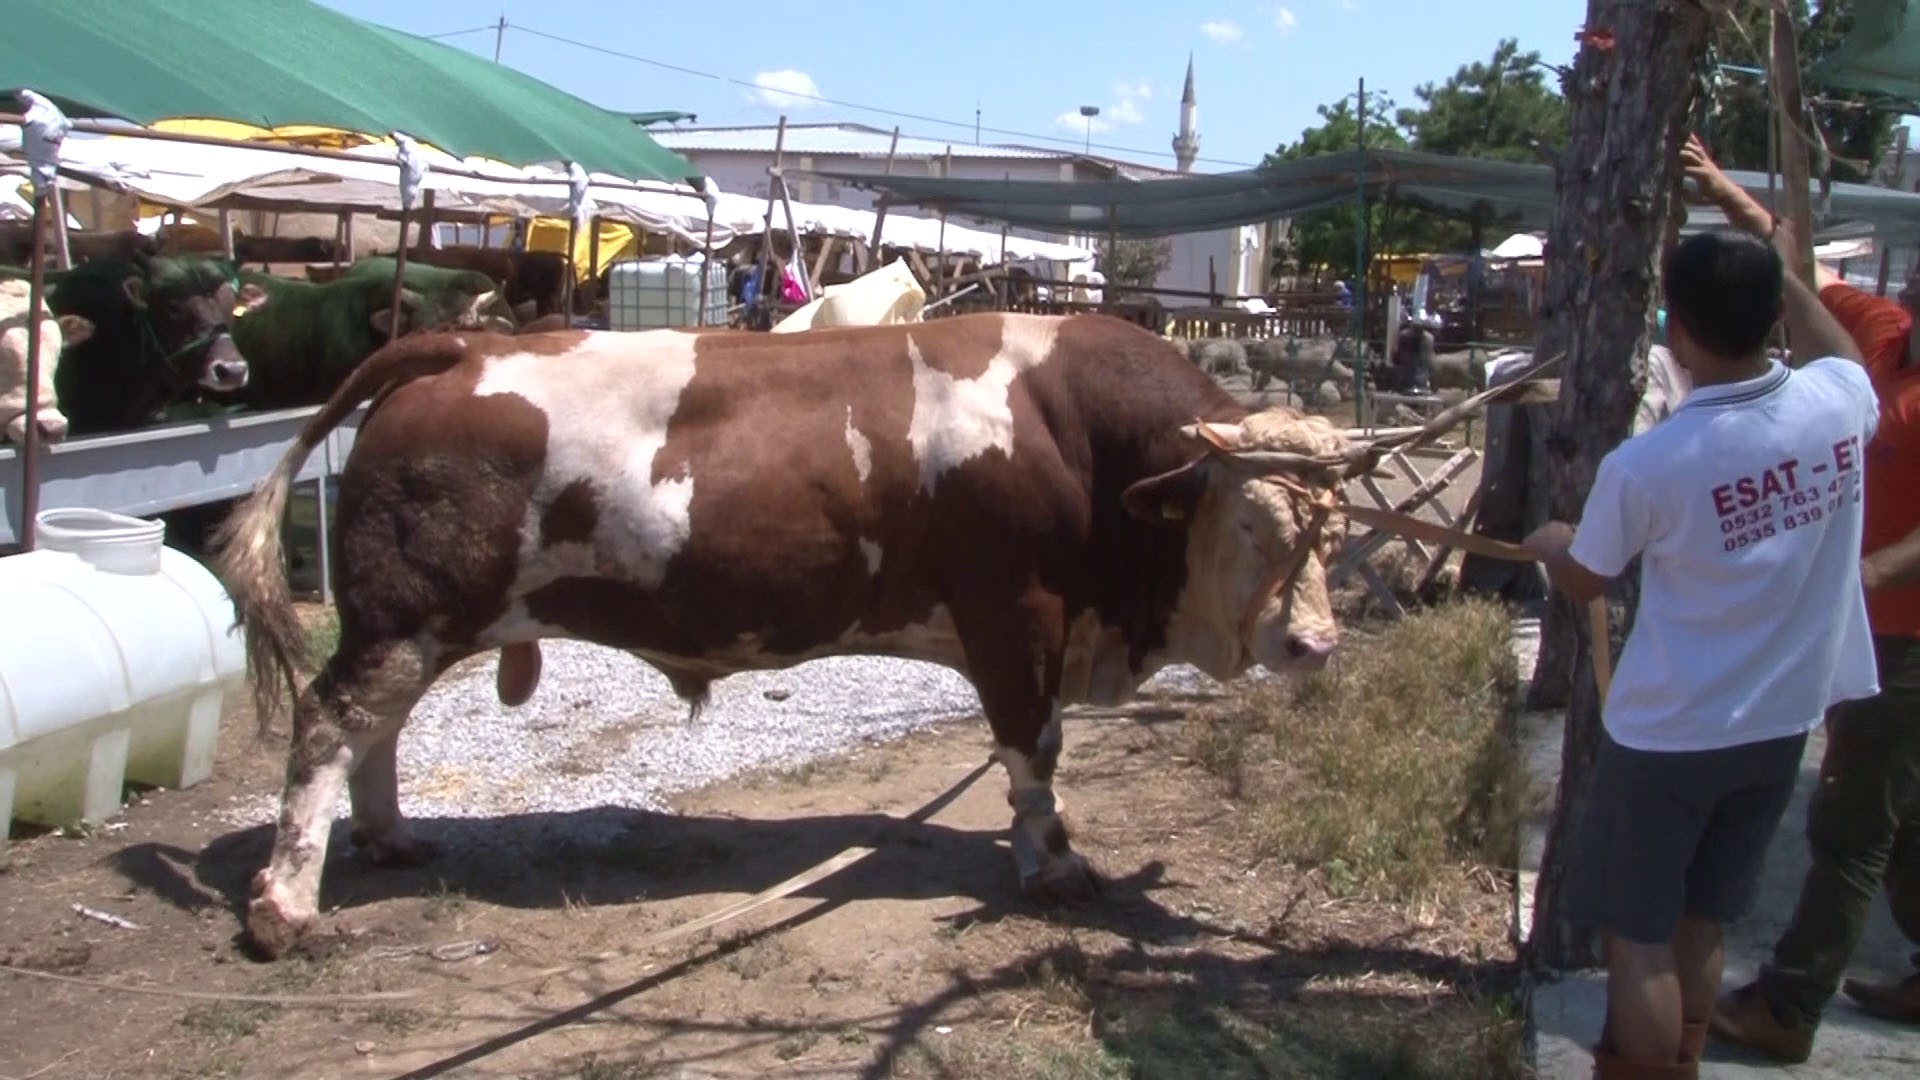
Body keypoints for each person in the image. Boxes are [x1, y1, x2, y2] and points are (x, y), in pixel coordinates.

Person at [1524, 228, 1882, 1078]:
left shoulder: (1652, 462)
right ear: (1775, 316)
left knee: (1637, 938)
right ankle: (1684, 1059)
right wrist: (1793, 278)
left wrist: (1549, 545)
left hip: (1670, 736)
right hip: (1783, 722)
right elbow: (1847, 359)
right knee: (1701, 921)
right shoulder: (1837, 403)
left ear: (1675, 331)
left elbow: (1586, 579)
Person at [1682, 133, 1920, 1062]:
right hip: (1866, 631)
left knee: (1852, 825)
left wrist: (1863, 575)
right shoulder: (1884, 336)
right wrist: (1726, 195)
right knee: (1905, 816)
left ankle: (1789, 1005)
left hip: (1901, 638)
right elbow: (1795, 267)